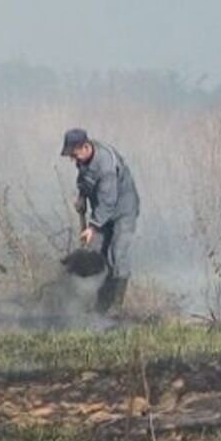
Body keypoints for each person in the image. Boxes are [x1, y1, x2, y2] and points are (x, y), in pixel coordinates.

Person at [61, 128, 140, 314]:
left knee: (117, 253)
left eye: (74, 154)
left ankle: (116, 306)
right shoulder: (84, 160)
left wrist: (93, 227)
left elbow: (108, 200)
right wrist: (81, 196)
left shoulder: (106, 166)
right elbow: (84, 180)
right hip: (103, 212)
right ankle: (101, 306)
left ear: (85, 147)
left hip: (123, 212)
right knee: (99, 254)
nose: (73, 160)